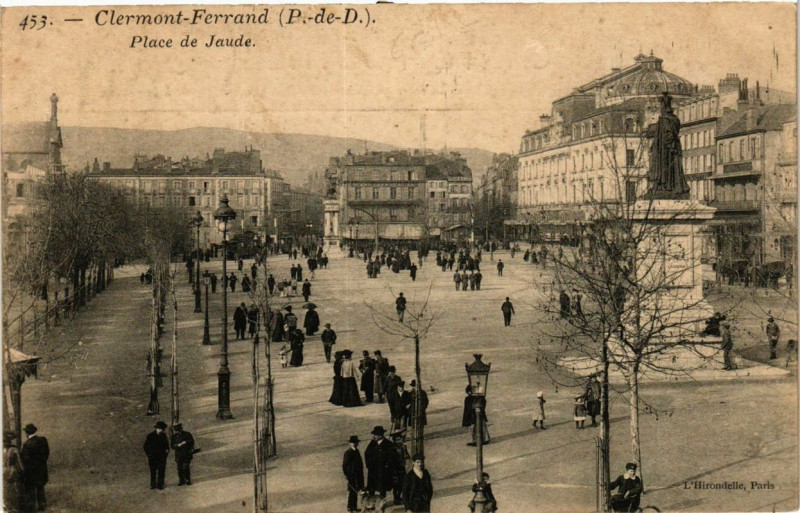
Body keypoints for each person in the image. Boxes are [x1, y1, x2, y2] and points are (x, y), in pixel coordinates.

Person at [21, 423, 49, 511]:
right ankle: (42, 505)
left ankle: (31, 506)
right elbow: (47, 453)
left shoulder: (27, 444)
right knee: (40, 487)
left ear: (27, 433)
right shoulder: (43, 440)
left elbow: (25, 459)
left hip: (31, 470)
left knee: (31, 489)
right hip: (41, 468)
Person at [365, 426, 397, 499]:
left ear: (380, 435)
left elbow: (392, 457)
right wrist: (369, 465)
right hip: (373, 470)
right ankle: (371, 504)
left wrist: (387, 466)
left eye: (375, 435)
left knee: (383, 488)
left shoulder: (388, 444)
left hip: (383, 471)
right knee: (371, 488)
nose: (374, 436)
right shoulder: (372, 443)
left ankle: (382, 503)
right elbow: (366, 453)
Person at [144, 421, 170, 490]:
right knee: (153, 471)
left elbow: (166, 445)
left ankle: (160, 484)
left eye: (163, 429)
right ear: (157, 428)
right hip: (153, 457)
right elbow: (145, 446)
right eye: (161, 429)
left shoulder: (163, 435)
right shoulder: (150, 436)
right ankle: (153, 485)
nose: (162, 430)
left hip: (162, 457)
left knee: (161, 471)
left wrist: (167, 451)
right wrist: (149, 455)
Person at [343, 435, 364, 513]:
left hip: (358, 475)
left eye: (356, 442)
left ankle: (353, 507)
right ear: (350, 444)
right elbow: (344, 465)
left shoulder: (357, 451)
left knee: (356, 490)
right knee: (353, 491)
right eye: (353, 443)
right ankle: (351, 507)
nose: (354, 444)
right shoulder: (348, 453)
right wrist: (346, 475)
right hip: (351, 475)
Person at [4, 431, 23, 512]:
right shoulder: (14, 449)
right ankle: (13, 508)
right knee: (13, 490)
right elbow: (20, 464)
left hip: (5, 471)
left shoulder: (10, 450)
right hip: (11, 471)